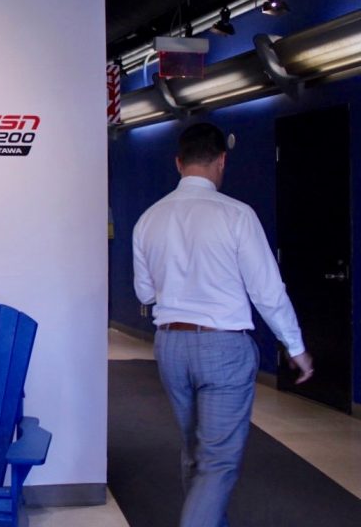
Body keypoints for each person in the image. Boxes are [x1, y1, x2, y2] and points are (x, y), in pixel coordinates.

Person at [131, 122, 314, 527]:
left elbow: (145, 293)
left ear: (178, 163)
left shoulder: (148, 219)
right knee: (217, 462)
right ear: (222, 161)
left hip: (170, 347)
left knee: (195, 452)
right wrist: (296, 348)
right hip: (223, 349)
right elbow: (267, 290)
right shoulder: (236, 215)